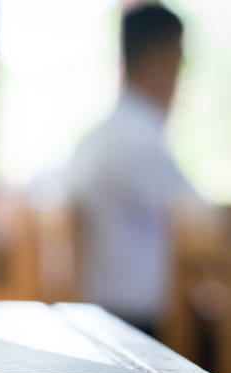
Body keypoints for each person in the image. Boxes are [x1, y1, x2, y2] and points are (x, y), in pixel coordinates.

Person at [67, 5, 196, 333]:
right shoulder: (141, 141)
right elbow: (200, 228)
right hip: (137, 325)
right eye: (179, 59)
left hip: (99, 312)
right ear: (158, 60)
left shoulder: (97, 136)